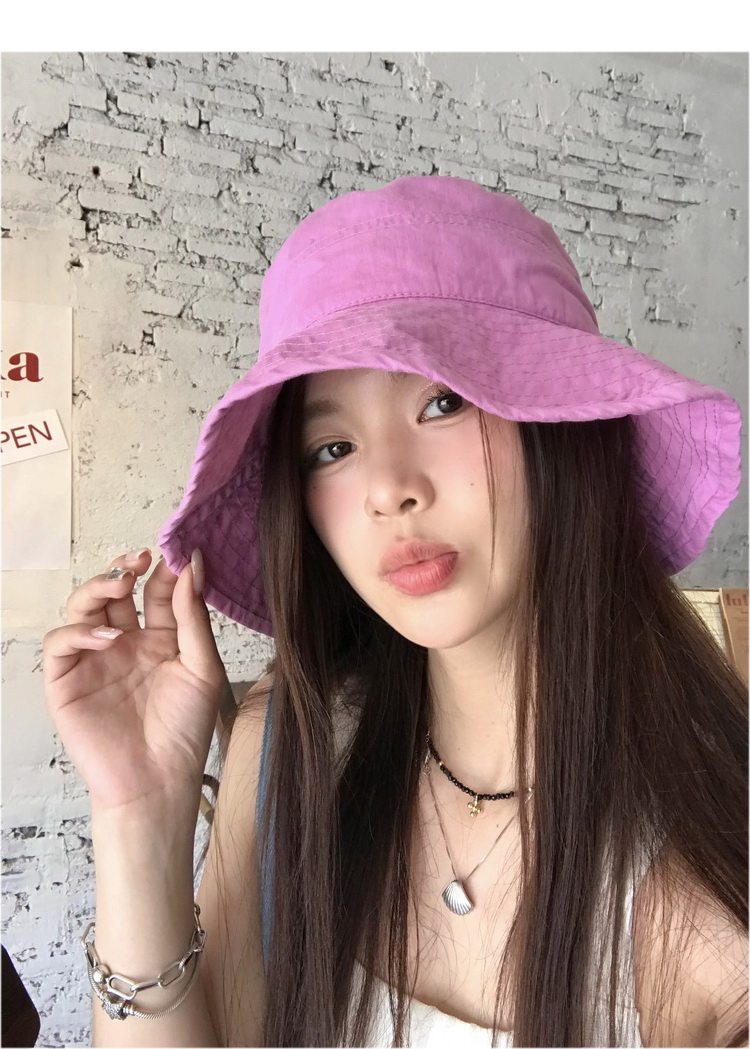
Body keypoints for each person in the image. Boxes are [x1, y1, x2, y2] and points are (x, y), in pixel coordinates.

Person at [42, 174, 748, 1047]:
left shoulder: (703, 885)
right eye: (332, 447)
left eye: (442, 401)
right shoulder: (293, 749)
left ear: (564, 424)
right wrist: (138, 813)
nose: (388, 489)